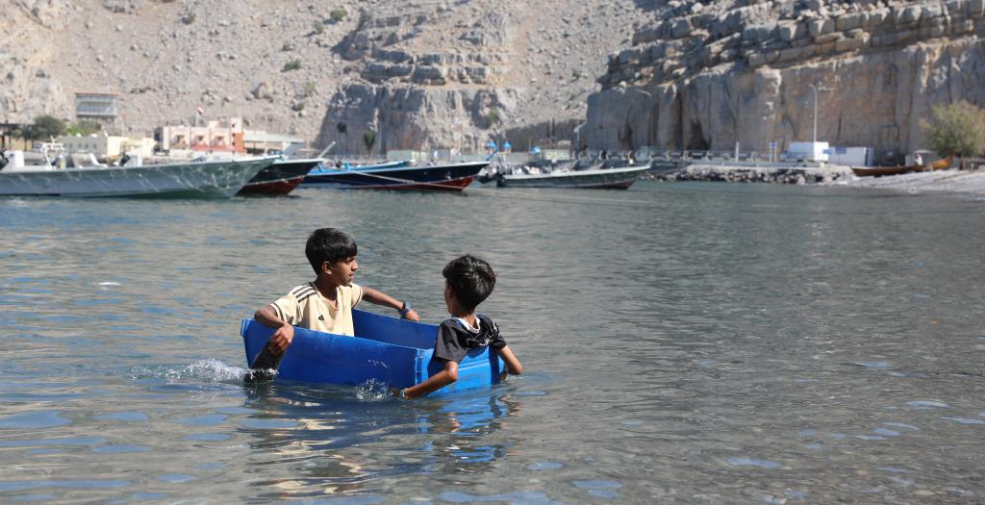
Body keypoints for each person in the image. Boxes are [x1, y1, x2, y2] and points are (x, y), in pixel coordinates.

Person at [249, 228, 420, 379]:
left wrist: (402, 308)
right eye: (348, 261)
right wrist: (285, 326)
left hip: (346, 365)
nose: (355, 266)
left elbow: (366, 293)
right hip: (318, 370)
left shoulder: (345, 290)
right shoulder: (304, 296)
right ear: (327, 268)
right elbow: (262, 313)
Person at [398, 255, 522, 398]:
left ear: (450, 290)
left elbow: (450, 374)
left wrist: (406, 394)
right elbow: (516, 368)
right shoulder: (487, 324)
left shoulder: (450, 328)